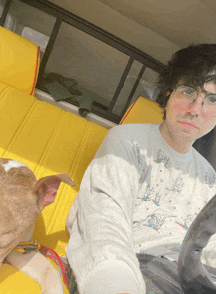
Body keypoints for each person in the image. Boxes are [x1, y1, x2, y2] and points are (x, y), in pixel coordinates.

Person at [65, 44, 216, 294]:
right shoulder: (127, 141)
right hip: (138, 268)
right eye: (187, 92)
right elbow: (104, 218)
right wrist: (115, 282)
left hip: (195, 277)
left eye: (212, 100)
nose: (195, 110)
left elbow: (211, 247)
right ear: (168, 94)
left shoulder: (210, 177)